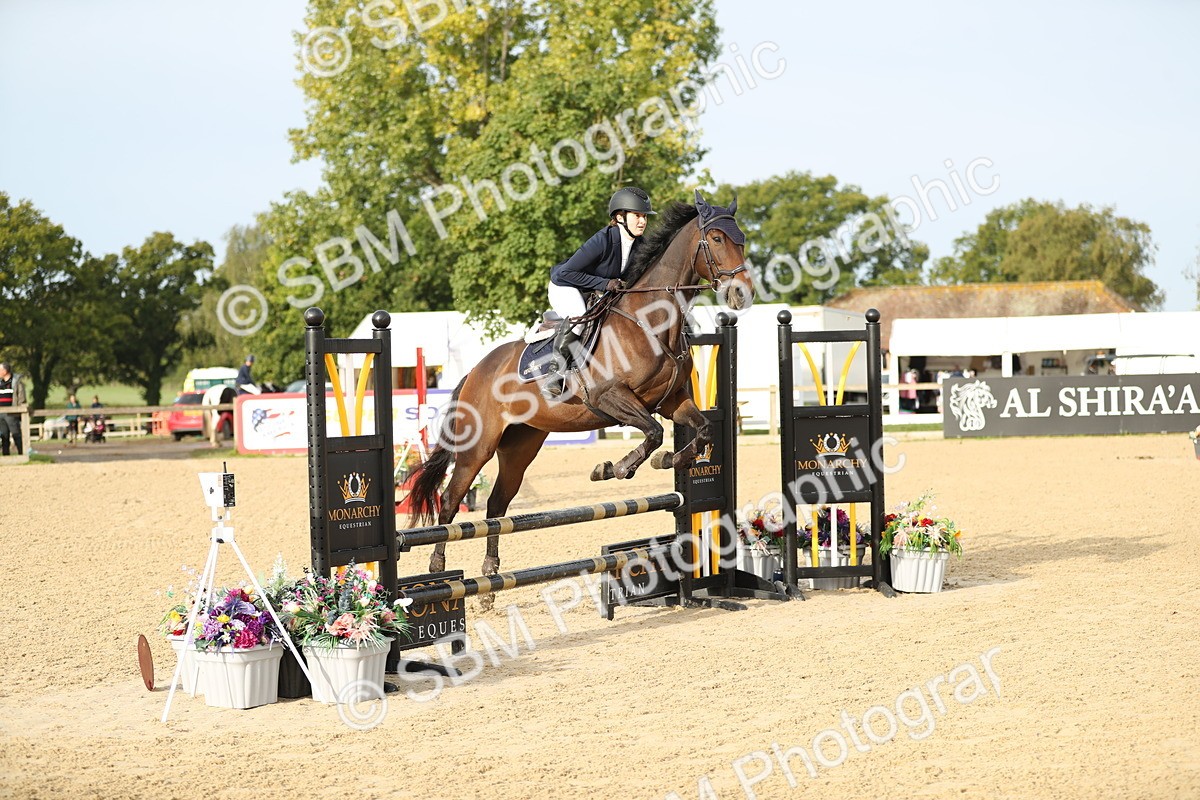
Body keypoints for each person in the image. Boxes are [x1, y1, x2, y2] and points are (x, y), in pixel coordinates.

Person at [541, 187, 655, 397]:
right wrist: (605, 283)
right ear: (620, 217)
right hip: (565, 285)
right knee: (579, 317)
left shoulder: (641, 245)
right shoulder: (602, 240)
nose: (642, 221)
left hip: (596, 291)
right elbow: (566, 273)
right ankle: (554, 375)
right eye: (637, 215)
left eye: (644, 216)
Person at [0, 362, 27, 456]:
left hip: (11, 412)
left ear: (5, 371)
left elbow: (21, 397)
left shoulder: (16, 382)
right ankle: (5, 456)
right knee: (4, 436)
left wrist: (18, 409)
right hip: (1, 413)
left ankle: (22, 454)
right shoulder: (0, 383)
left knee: (16, 434)